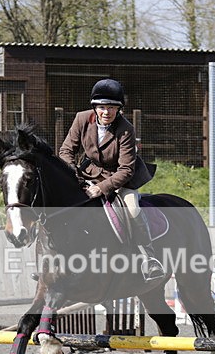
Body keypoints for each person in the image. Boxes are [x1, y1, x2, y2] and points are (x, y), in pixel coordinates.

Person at [59, 78, 165, 281]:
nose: (106, 112)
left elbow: (126, 169)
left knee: (132, 208)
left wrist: (101, 188)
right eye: (102, 107)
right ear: (95, 107)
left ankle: (148, 257)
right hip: (86, 175)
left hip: (121, 180)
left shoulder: (126, 129)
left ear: (119, 109)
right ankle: (57, 260)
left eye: (111, 107)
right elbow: (66, 151)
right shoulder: (82, 119)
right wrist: (74, 177)